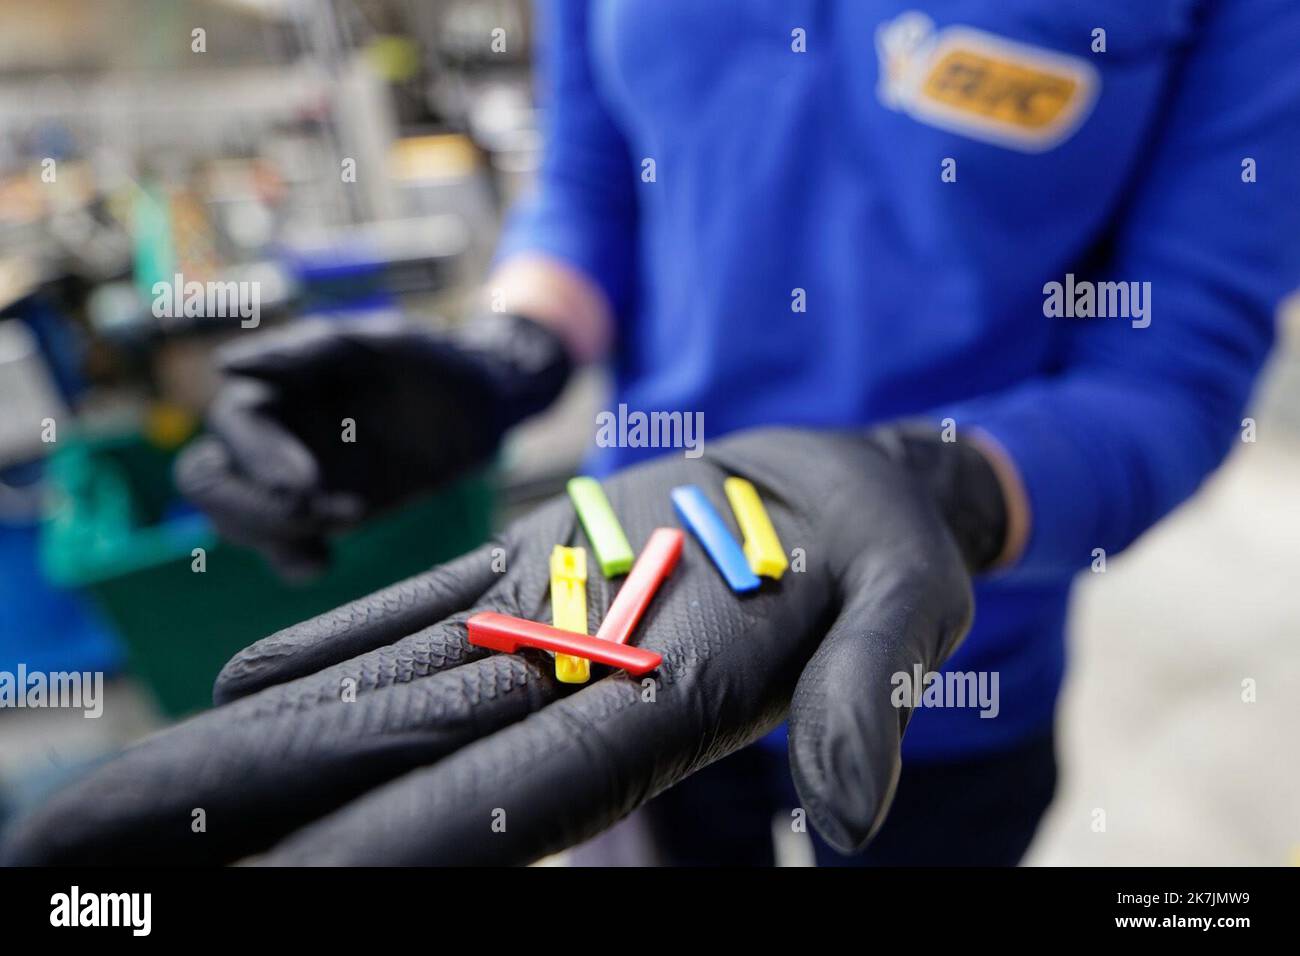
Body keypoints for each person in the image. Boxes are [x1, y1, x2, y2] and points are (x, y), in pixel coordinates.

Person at [4, 0, 1299, 866]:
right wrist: (509, 354)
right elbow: (589, 182)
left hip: (955, 665)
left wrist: (937, 485)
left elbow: (1173, 371)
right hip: (635, 600)